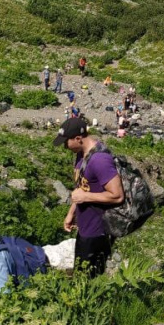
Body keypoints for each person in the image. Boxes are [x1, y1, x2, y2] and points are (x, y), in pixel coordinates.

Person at [54, 117, 124, 275]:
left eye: (66, 142)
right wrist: (71, 213)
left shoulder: (100, 160)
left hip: (98, 230)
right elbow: (82, 188)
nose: (64, 146)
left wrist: (85, 197)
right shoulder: (81, 154)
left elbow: (117, 195)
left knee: (89, 278)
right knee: (81, 274)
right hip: (85, 227)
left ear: (78, 139)